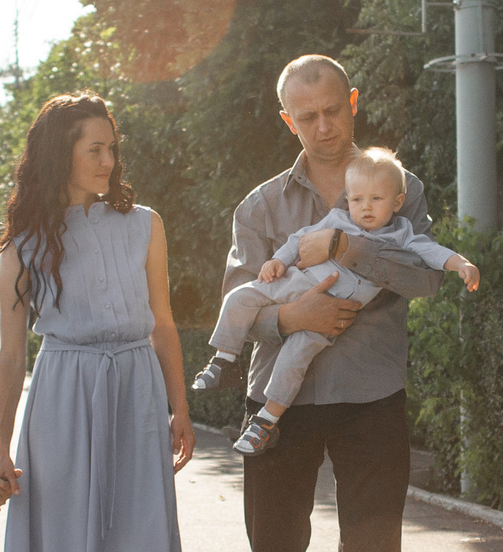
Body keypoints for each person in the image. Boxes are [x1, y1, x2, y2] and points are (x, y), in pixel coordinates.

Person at [224, 56, 449, 552]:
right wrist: (296, 313)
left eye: (333, 110)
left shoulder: (399, 186)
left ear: (352, 103)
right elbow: (238, 309)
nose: (323, 128)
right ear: (287, 119)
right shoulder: (259, 208)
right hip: (278, 404)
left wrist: (348, 245)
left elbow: (423, 279)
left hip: (372, 394)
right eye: (306, 116)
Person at [0, 92, 195, 552]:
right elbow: (12, 356)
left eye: (112, 147)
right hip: (65, 391)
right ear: (61, 154)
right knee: (72, 550)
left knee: (138, 546)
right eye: (93, 148)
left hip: (136, 388)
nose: (108, 160)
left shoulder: (145, 225)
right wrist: (0, 448)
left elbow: (163, 320)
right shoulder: (26, 243)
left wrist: (179, 405)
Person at [192, 147, 479, 457]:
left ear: (397, 203)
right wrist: (276, 261)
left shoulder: (401, 234)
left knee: (292, 359)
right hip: (295, 284)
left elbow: (432, 254)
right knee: (240, 296)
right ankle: (225, 359)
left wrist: (460, 263)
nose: (365, 208)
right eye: (357, 199)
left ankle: (267, 421)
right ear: (348, 199)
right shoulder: (338, 218)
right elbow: (300, 238)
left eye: (376, 199)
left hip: (336, 317)